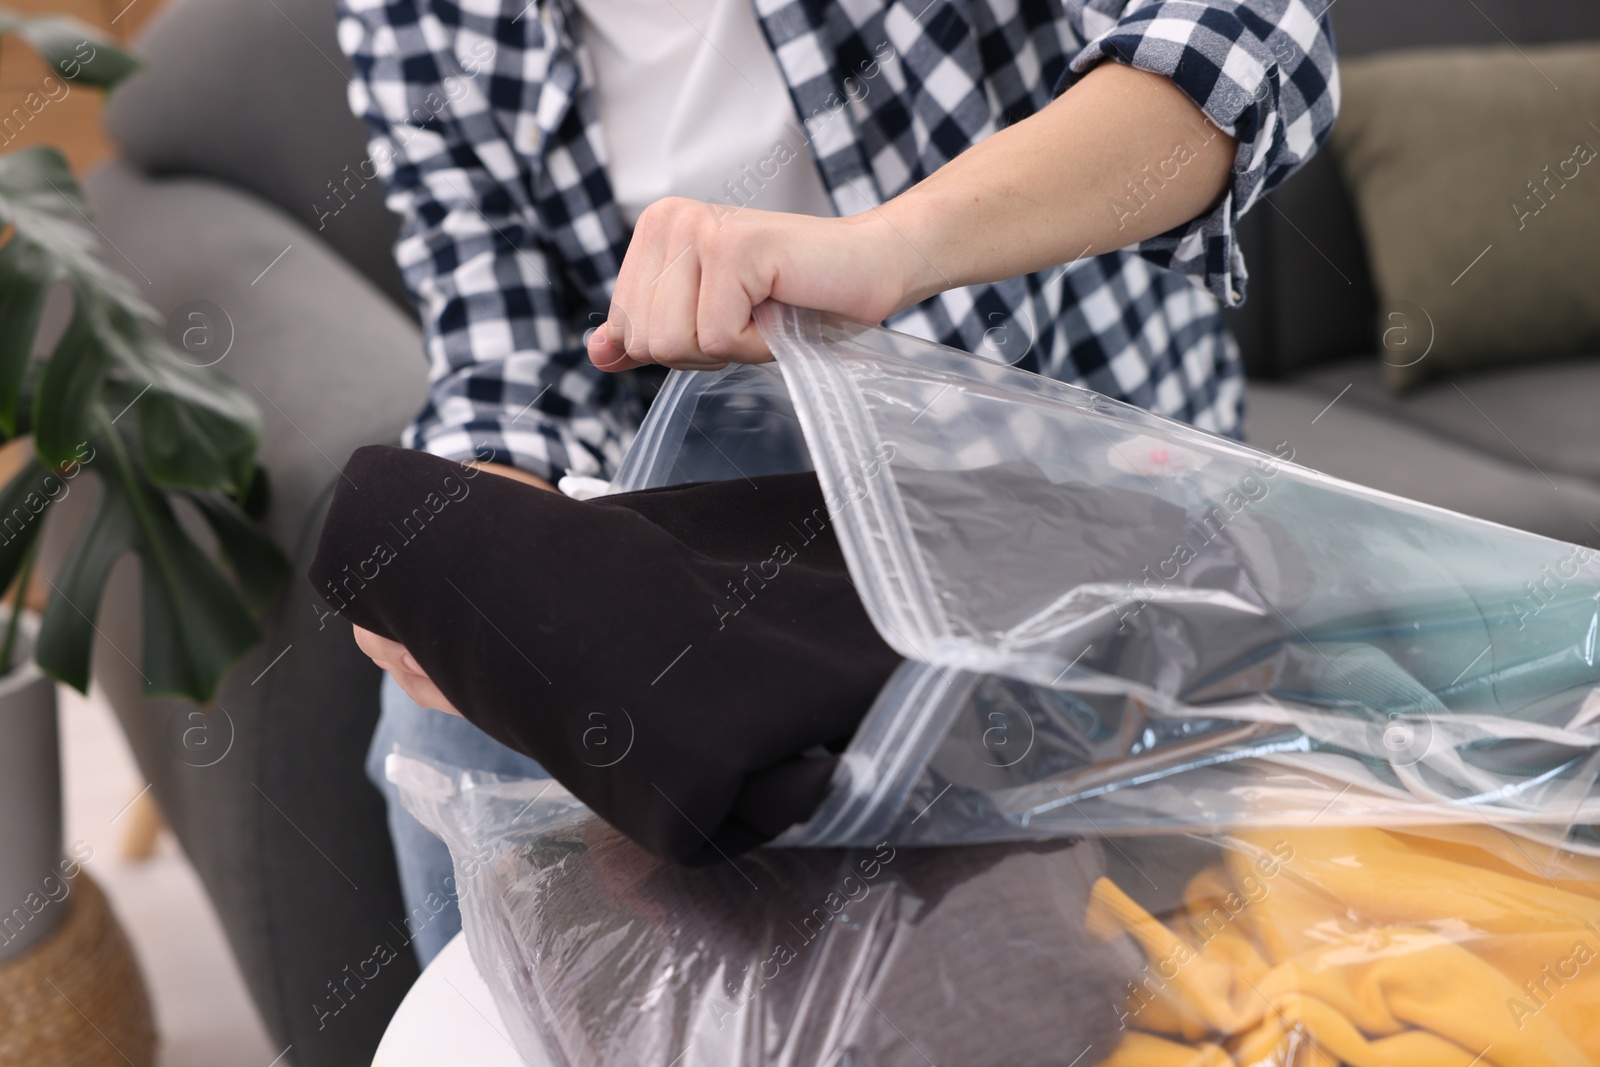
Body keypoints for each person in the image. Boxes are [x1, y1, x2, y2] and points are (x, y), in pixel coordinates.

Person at [335, 0, 1338, 964]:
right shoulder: (415, 13)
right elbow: (499, 335)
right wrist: (472, 527)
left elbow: (1246, 36)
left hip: (1062, 443)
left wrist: (893, 247)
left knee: (1054, 908)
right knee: (442, 727)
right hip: (728, 483)